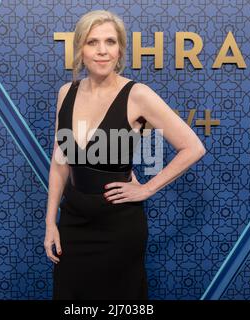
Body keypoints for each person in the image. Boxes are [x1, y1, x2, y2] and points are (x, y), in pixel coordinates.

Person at [44, 10, 206, 300]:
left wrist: (147, 188)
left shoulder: (137, 94)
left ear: (120, 49)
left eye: (110, 41)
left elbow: (193, 147)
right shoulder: (65, 93)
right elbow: (60, 163)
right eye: (93, 42)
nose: (102, 50)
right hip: (73, 224)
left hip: (119, 229)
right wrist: (49, 224)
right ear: (80, 48)